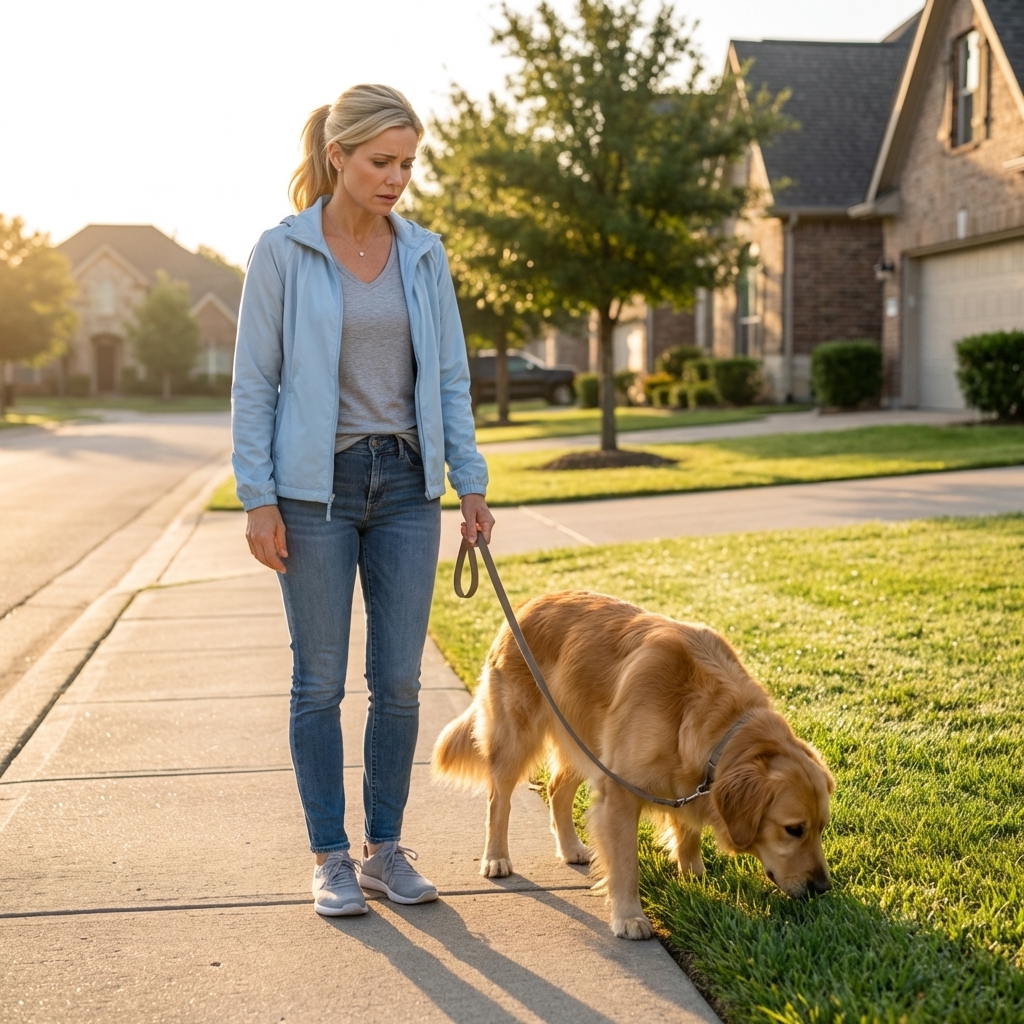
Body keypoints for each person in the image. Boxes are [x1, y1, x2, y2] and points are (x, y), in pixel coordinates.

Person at [231, 84, 494, 918]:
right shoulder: (282, 252)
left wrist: (472, 482)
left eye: (408, 163)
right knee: (318, 683)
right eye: (381, 161)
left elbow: (449, 376)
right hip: (317, 492)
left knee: (400, 683)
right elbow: (254, 385)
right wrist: (258, 497)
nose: (396, 178)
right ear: (337, 155)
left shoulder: (423, 253)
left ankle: (384, 849)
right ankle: (330, 856)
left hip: (408, 486)